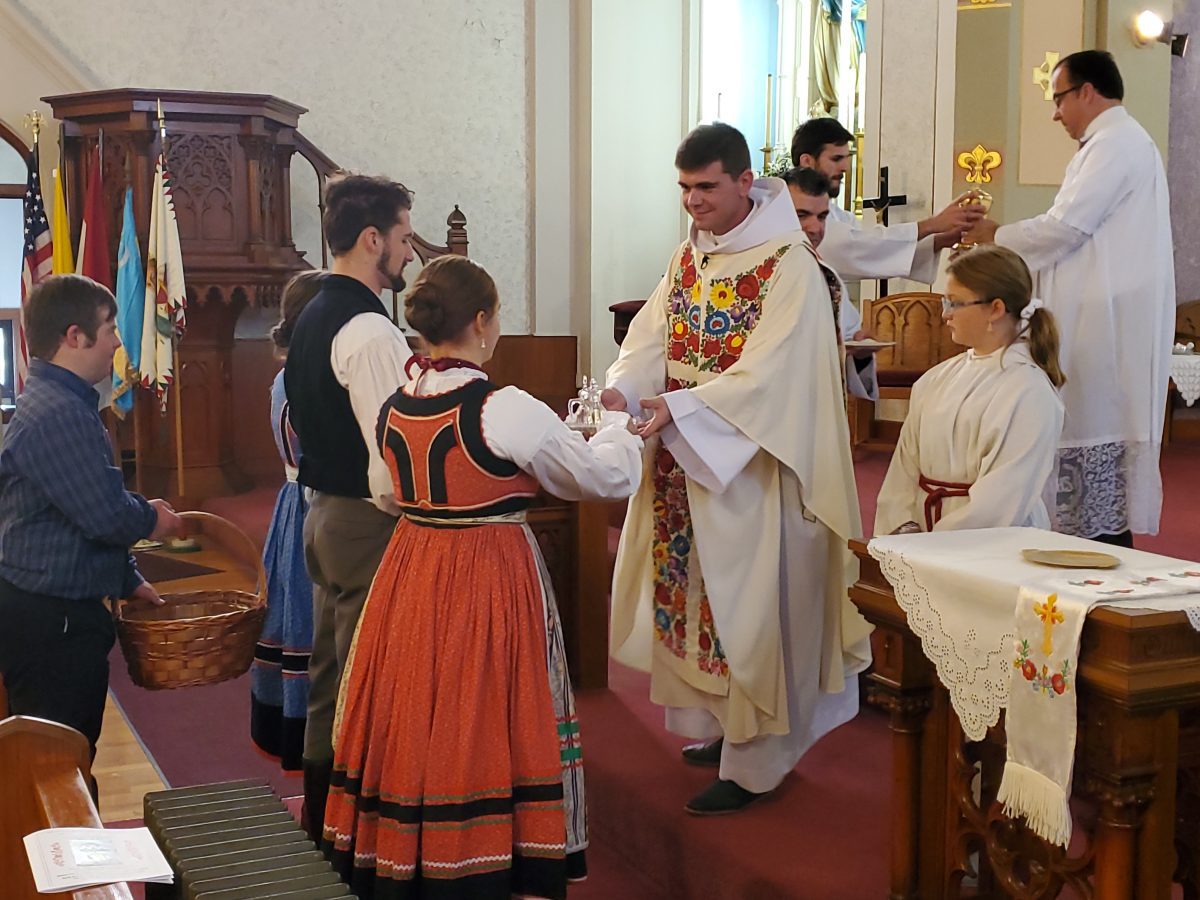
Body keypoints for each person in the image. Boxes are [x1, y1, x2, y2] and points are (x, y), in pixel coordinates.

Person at [323, 255, 642, 899]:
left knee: (416, 704)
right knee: (488, 707)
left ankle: (410, 853)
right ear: (480, 321)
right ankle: (480, 860)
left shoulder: (395, 404)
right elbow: (602, 477)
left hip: (411, 568)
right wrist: (617, 429)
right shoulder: (504, 406)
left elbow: (385, 490)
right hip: (487, 571)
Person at [602, 123, 872, 816]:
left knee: (751, 613)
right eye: (684, 188)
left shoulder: (789, 267)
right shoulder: (689, 255)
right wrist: (623, 390)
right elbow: (650, 340)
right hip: (686, 460)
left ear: (745, 181)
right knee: (701, 604)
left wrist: (678, 407)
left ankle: (758, 763)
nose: (692, 201)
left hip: (754, 469)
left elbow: (772, 379)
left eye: (706, 187)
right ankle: (726, 729)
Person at [964, 50, 1175, 547]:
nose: (1055, 113)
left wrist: (996, 236)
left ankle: (1096, 556)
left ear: (1087, 92)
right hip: (1102, 312)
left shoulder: (1115, 144)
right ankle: (1088, 545)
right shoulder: (1111, 142)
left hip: (1103, 320)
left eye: (1059, 98)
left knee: (1092, 427)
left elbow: (1066, 228)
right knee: (1088, 433)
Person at [0, 274, 183, 794]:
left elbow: (76, 511)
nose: (119, 342)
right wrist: (153, 519)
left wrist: (127, 578)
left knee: (65, 759)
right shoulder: (60, 413)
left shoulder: (61, 400)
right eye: (110, 329)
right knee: (58, 769)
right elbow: (104, 515)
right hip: (51, 621)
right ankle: (62, 848)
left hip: (50, 610)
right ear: (74, 336)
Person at [283, 174, 416, 840]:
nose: (409, 251)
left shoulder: (313, 312)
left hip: (325, 513)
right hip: (366, 520)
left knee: (333, 676)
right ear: (372, 239)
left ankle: (322, 815)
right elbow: (394, 462)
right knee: (369, 680)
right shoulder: (369, 331)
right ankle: (357, 830)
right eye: (403, 237)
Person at [874, 245, 1065, 536]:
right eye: (945, 302)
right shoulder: (935, 378)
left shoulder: (1028, 390)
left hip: (990, 544)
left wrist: (931, 546)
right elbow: (903, 471)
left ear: (996, 309)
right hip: (918, 537)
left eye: (955, 303)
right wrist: (902, 528)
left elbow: (1001, 501)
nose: (945, 314)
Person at [250, 270, 326, 772]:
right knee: (308, 618)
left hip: (292, 501)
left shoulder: (284, 376)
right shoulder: (308, 377)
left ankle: (291, 727)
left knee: (295, 611)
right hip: (313, 502)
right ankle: (309, 734)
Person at [790, 117, 982, 284]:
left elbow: (867, 244)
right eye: (836, 158)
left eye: (847, 158)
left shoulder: (833, 212)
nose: (845, 168)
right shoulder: (787, 207)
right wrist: (932, 225)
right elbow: (848, 246)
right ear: (807, 161)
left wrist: (939, 240)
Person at [783, 165, 878, 400]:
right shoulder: (752, 273)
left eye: (822, 217)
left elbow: (849, 341)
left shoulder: (826, 276)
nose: (815, 228)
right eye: (801, 215)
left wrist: (860, 354)